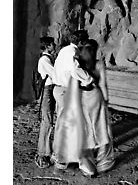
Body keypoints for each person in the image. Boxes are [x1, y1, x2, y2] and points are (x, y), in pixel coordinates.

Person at [51, 30, 95, 175]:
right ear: (81, 42)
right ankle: (82, 164)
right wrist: (89, 80)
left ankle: (59, 157)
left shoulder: (64, 50)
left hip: (59, 90)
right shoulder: (72, 53)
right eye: (85, 42)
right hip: (66, 92)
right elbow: (76, 70)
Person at [77, 40, 115, 174]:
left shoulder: (78, 64)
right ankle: (104, 162)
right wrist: (106, 100)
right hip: (96, 97)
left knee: (85, 130)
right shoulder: (99, 63)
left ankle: (88, 167)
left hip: (82, 98)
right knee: (103, 128)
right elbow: (103, 84)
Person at [34, 36, 56, 169]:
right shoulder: (45, 59)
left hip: (50, 90)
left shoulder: (48, 58)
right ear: (48, 46)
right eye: (53, 44)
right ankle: (42, 154)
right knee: (47, 121)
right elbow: (55, 74)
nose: (55, 45)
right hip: (47, 91)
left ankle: (45, 151)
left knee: (48, 120)